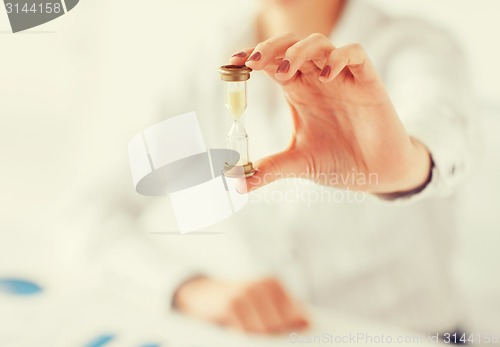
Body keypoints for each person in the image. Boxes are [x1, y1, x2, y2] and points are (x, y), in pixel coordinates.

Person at [65, 0, 477, 339]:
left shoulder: (413, 47)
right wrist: (192, 288)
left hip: (419, 335)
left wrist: (405, 166)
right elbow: (91, 215)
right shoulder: (205, 63)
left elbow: (437, 134)